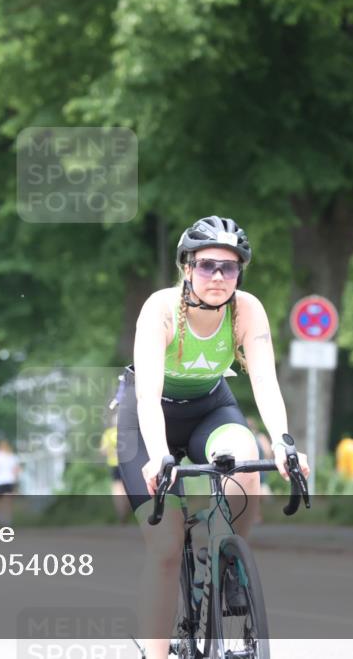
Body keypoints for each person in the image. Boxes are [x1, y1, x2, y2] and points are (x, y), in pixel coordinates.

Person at [117, 216, 310, 659]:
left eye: (230, 267)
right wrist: (159, 457)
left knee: (246, 462)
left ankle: (226, 561)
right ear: (187, 267)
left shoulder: (247, 309)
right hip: (148, 420)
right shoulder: (160, 309)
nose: (219, 277)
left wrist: (283, 444)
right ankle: (155, 652)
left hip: (209, 408)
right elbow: (147, 396)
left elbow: (264, 381)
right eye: (207, 266)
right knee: (165, 548)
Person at [99, 417, 130, 523]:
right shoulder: (127, 433)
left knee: (117, 489)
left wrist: (112, 451)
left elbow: (103, 451)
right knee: (127, 488)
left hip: (114, 464)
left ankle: (121, 513)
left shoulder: (108, 433)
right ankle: (127, 510)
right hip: (127, 464)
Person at [0, 440, 21, 526]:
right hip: (10, 481)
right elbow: (16, 470)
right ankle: (7, 519)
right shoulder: (12, 457)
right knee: (8, 501)